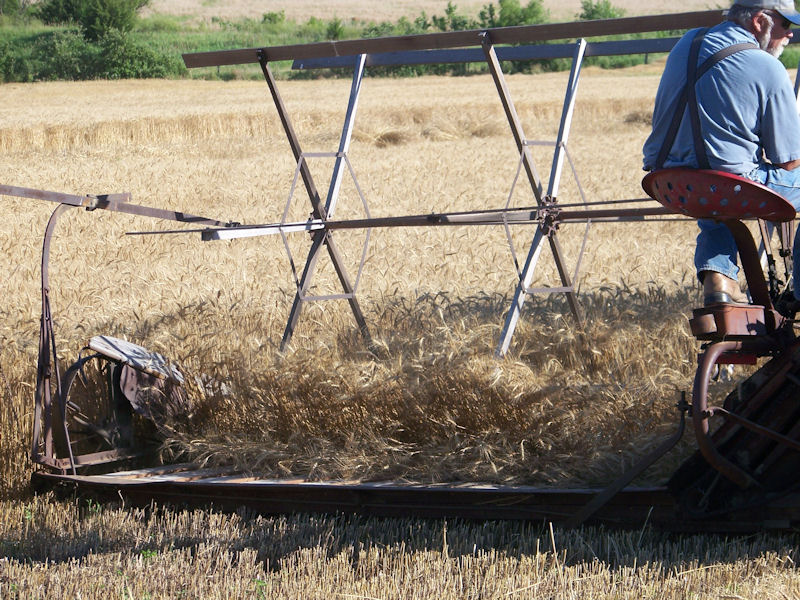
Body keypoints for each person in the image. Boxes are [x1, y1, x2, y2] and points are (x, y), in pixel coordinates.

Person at [643, 1, 800, 308]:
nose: (790, 36)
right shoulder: (768, 67)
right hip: (728, 185)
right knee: (728, 181)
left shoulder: (687, 42)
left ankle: (719, 279)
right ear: (759, 22)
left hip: (669, 182)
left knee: (716, 184)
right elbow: (788, 160)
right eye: (786, 25)